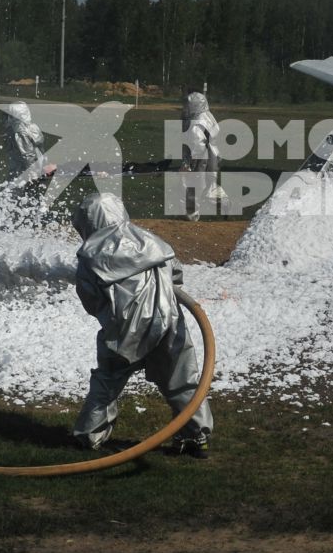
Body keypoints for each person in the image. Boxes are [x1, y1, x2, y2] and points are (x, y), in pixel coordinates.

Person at [69, 193, 211, 458]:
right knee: (182, 381)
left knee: (107, 382)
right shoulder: (152, 241)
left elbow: (89, 298)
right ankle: (196, 437)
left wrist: (110, 312)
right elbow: (176, 273)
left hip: (124, 330)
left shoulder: (90, 255)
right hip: (169, 321)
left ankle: (89, 437)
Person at [180, 90, 221, 221]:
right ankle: (215, 200)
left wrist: (188, 164)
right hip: (212, 155)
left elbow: (197, 143)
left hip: (201, 157)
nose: (185, 108)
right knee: (207, 183)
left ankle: (192, 215)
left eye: (187, 105)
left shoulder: (195, 122)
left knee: (192, 184)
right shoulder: (208, 116)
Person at [0, 102, 50, 192]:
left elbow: (28, 156)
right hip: (39, 169)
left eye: (8, 115)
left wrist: (31, 177)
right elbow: (40, 149)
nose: (5, 119)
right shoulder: (33, 127)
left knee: (11, 197)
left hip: (26, 174)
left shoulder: (19, 132)